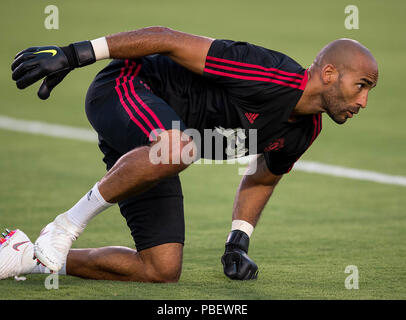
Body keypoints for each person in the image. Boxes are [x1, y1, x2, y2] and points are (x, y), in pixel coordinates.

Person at [1, 27, 378, 282]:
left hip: (161, 146)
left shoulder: (306, 129)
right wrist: (75, 53)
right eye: (361, 86)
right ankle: (64, 227)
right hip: (128, 86)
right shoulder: (268, 74)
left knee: (161, 268)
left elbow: (263, 175)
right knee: (178, 148)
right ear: (329, 73)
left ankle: (26, 255)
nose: (363, 101)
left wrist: (238, 241)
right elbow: (166, 38)